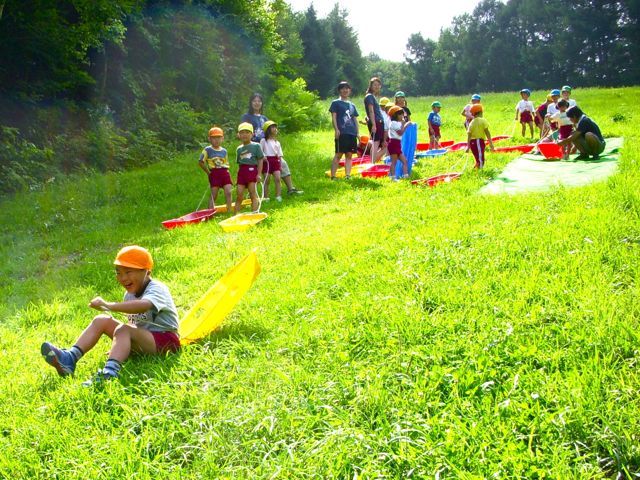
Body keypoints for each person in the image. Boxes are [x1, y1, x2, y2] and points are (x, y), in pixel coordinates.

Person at [41, 246, 180, 386]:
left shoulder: (157, 288)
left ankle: (109, 373)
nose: (123, 278)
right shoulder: (129, 295)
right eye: (118, 272)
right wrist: (122, 347)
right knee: (101, 320)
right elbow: (135, 325)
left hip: (167, 342)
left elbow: (144, 305)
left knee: (123, 329)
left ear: (147, 271)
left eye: (129, 272)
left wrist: (109, 305)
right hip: (146, 341)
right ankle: (70, 358)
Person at [241, 93, 303, 195]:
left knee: (282, 163)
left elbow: (271, 133)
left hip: (268, 148)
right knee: (250, 169)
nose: (257, 103)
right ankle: (250, 195)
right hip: (254, 147)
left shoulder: (264, 118)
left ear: (262, 103)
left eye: (259, 101)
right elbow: (243, 132)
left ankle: (290, 189)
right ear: (251, 103)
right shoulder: (246, 117)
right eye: (254, 101)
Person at [329, 81, 360, 179]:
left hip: (352, 133)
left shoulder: (352, 105)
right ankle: (333, 176)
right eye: (342, 88)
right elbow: (334, 117)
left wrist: (357, 132)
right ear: (339, 90)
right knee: (338, 154)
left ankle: (348, 175)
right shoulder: (335, 103)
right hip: (342, 132)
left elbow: (355, 119)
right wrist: (336, 129)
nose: (345, 90)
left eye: (347, 88)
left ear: (350, 90)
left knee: (349, 155)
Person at [198, 127, 233, 213]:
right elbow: (200, 162)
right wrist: (208, 172)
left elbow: (226, 163)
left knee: (228, 192)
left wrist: (229, 174)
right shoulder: (207, 150)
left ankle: (229, 210)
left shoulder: (224, 151)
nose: (216, 140)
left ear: (222, 139)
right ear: (209, 139)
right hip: (214, 173)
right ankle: (210, 212)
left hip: (225, 173)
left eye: (219, 138)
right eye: (214, 138)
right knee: (214, 194)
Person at [235, 122, 264, 213]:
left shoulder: (256, 146)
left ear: (252, 134)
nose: (244, 135)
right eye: (242, 132)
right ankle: (236, 215)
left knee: (252, 194)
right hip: (242, 173)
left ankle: (254, 212)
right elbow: (239, 164)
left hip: (252, 171)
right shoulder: (239, 149)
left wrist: (259, 174)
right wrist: (237, 176)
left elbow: (260, 160)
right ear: (239, 135)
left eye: (247, 132)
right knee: (239, 194)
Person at [465, 104, 495, 169]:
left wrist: (468, 146)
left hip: (472, 142)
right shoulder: (483, 120)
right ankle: (481, 171)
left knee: (477, 158)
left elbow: (469, 135)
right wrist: (491, 144)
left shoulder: (471, 122)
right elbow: (487, 132)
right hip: (478, 141)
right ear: (480, 112)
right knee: (481, 159)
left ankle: (476, 168)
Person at [259, 120, 283, 200]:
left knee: (278, 178)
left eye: (275, 127)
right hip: (267, 162)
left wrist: (280, 165)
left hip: (275, 161)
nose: (275, 129)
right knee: (267, 180)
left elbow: (279, 155)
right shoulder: (263, 141)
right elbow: (260, 152)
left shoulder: (277, 142)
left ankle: (278, 196)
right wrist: (263, 157)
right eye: (272, 127)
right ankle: (266, 197)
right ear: (267, 130)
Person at [364, 77, 385, 163]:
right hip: (376, 122)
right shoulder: (369, 96)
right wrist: (373, 124)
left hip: (378, 121)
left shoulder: (372, 96)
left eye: (378, 85)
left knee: (378, 142)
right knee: (375, 142)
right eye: (374, 84)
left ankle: (373, 161)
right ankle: (372, 162)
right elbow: (371, 111)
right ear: (370, 86)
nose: (376, 86)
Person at [387, 105, 412, 179]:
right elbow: (400, 132)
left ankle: (405, 176)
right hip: (393, 143)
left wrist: (403, 123)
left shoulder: (398, 123)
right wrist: (405, 125)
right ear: (395, 115)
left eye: (402, 114)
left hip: (397, 144)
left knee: (404, 161)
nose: (402, 116)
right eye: (400, 114)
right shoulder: (393, 123)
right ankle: (393, 177)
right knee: (394, 162)